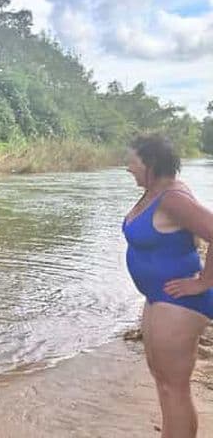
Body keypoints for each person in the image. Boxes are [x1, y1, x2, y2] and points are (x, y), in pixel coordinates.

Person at [123, 134, 213, 438]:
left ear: (150, 163)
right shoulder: (154, 192)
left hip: (179, 303)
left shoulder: (173, 198)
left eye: (132, 162)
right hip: (159, 299)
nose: (128, 168)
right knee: (164, 383)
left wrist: (204, 281)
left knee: (174, 388)